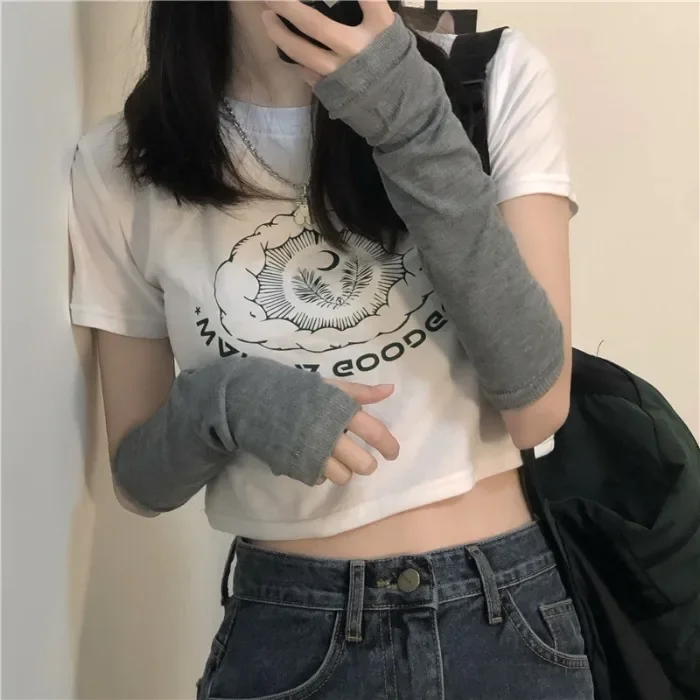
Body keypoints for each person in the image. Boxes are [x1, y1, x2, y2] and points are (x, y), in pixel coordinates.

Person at [68, 1, 593, 697]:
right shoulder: (122, 162)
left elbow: (538, 404)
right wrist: (229, 402)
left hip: (501, 619)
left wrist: (411, 119)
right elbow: (141, 480)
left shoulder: (487, 79)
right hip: (289, 630)